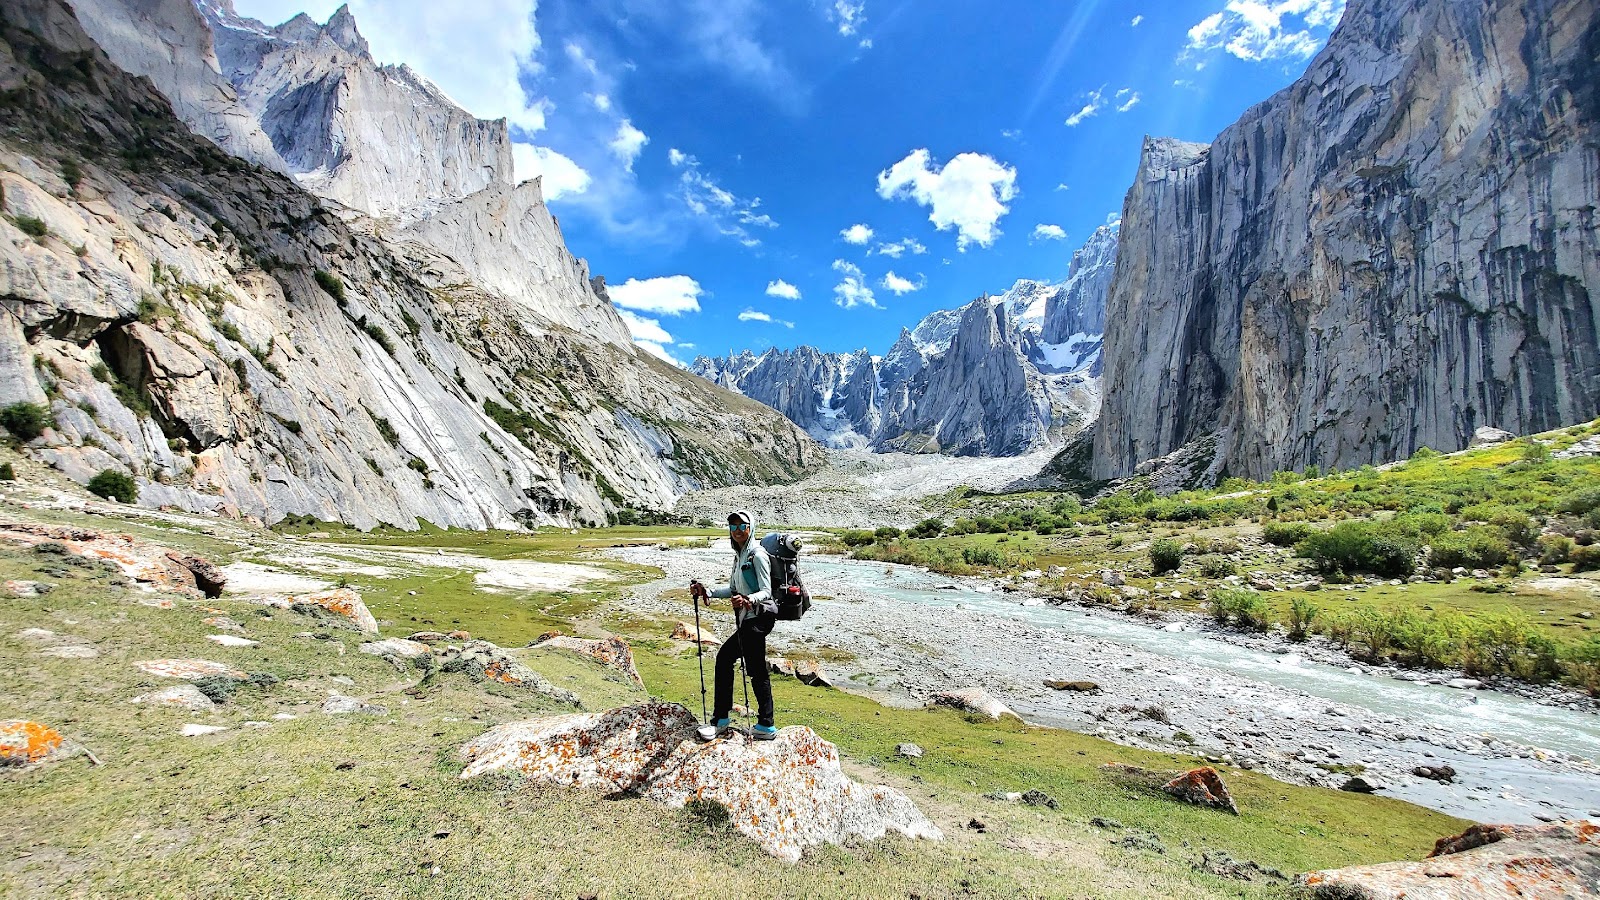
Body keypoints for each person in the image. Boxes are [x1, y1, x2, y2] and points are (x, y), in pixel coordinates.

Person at [691, 510, 778, 740]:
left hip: (757, 619)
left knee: (728, 659)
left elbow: (766, 591)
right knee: (755, 668)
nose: (738, 531)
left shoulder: (757, 555)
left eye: (742, 526)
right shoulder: (739, 555)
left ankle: (722, 721)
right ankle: (765, 725)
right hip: (749, 619)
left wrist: (748, 600)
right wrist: (707, 591)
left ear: (751, 528)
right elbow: (733, 590)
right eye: (733, 527)